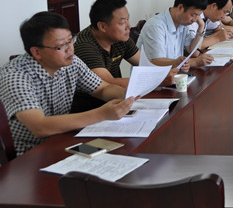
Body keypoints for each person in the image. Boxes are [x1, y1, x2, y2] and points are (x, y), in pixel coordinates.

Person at [0, 12, 135, 156]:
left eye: (70, 40)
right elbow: (40, 127)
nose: (70, 48)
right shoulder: (15, 76)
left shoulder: (71, 61)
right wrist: (102, 114)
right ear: (37, 52)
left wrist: (126, 94)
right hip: (30, 154)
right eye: (61, 45)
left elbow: (102, 89)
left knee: (123, 152)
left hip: (64, 140)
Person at [71, 0, 141, 112]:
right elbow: (108, 83)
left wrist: (169, 69)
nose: (129, 26)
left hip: (115, 105)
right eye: (122, 22)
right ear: (102, 26)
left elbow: (144, 63)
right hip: (89, 110)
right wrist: (150, 81)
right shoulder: (84, 46)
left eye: (128, 20)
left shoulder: (120, 38)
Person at [137, 0, 213, 68]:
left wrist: (201, 26)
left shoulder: (183, 25)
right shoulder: (156, 26)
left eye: (198, 15)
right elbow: (156, 61)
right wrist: (194, 62)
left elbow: (194, 52)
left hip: (173, 72)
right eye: (193, 15)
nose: (195, 20)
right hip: (153, 74)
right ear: (180, 8)